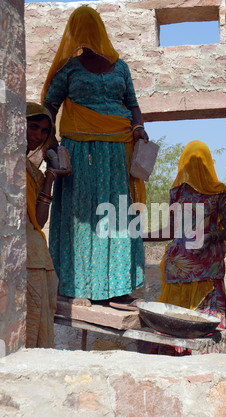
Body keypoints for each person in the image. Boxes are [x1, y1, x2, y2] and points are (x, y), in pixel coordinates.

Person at [41, 6, 149, 307]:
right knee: (83, 214)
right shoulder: (69, 69)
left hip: (118, 148)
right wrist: (51, 144)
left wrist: (139, 127)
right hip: (80, 149)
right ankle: (79, 286)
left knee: (118, 213)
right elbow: (49, 106)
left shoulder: (120, 67)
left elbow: (133, 105)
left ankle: (119, 286)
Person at [145, 141, 226, 350]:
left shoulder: (219, 193)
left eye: (199, 162)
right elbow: (172, 229)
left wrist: (212, 237)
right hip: (178, 274)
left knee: (210, 329)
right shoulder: (177, 193)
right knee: (174, 326)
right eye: (190, 162)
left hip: (208, 273)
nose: (194, 167)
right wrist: (141, 236)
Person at [26, 102, 72, 348]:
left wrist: (50, 178)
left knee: (37, 325)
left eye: (44, 131)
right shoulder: (10, 165)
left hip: (38, 259)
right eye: (33, 127)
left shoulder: (33, 173)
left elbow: (39, 221)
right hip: (24, 259)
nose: (39, 135)